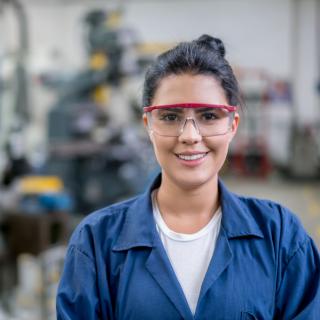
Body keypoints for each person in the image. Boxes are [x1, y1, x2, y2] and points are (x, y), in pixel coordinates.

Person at [56, 35, 320, 320]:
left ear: (233, 125)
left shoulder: (280, 237)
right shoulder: (97, 242)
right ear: (148, 125)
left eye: (209, 116)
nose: (190, 136)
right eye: (170, 117)